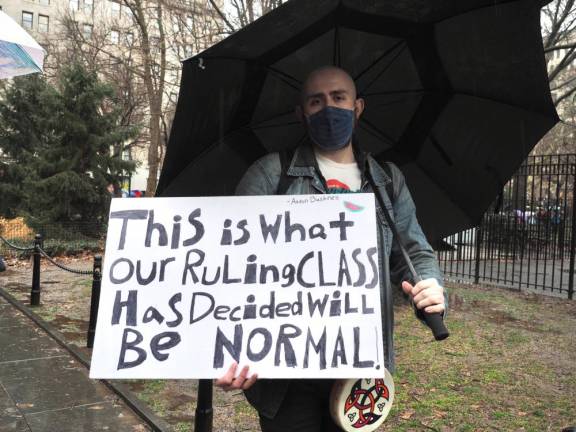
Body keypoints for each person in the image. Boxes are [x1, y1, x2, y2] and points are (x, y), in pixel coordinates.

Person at [215, 66, 447, 432]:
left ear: (357, 107)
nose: (329, 108)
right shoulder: (270, 175)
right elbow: (228, 265)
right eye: (316, 101)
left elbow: (414, 252)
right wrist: (229, 351)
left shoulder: (387, 181)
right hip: (286, 375)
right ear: (300, 113)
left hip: (360, 373)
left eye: (339, 98)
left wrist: (430, 285)